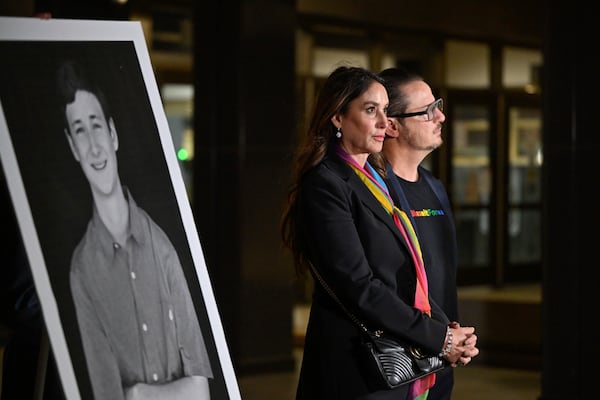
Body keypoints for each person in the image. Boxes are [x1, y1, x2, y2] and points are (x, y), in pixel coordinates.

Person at [280, 65, 479, 400]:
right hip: (356, 368)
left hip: (393, 364)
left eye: (385, 111)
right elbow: (361, 287)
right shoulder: (326, 183)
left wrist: (445, 328)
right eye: (371, 110)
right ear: (337, 118)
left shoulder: (373, 179)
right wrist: (438, 338)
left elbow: (408, 275)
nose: (382, 123)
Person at [56, 60, 212, 400]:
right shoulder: (82, 269)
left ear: (112, 134)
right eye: (80, 130)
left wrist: (139, 394)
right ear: (72, 147)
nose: (93, 146)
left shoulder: (163, 245)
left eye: (96, 126)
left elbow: (201, 389)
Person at [369, 66, 459, 400]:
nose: (441, 117)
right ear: (391, 125)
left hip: (441, 358)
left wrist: (452, 339)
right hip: (396, 365)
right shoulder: (375, 194)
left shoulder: (435, 188)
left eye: (438, 105)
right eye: (428, 111)